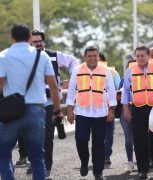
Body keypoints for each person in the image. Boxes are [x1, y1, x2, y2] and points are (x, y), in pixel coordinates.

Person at [0, 23, 61, 180]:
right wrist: (57, 109)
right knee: (37, 156)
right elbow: (53, 86)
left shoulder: (3, 56)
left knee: (4, 153)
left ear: (12, 38)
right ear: (29, 38)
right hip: (36, 111)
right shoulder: (42, 56)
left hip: (11, 112)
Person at [17, 30, 79, 177]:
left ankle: (46, 166)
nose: (37, 43)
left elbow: (74, 62)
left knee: (47, 136)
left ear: (42, 41)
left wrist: (72, 81)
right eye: (34, 41)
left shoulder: (54, 56)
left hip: (51, 102)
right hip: (31, 102)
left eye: (40, 41)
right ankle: (34, 161)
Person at [66, 46, 117, 180]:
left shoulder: (105, 71)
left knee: (99, 143)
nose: (93, 58)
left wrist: (112, 109)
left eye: (95, 56)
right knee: (81, 140)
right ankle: (84, 160)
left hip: (100, 112)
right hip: (82, 112)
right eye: (89, 56)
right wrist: (70, 110)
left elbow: (111, 90)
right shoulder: (77, 70)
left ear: (98, 57)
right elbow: (71, 90)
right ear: (85, 57)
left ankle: (98, 172)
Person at [121, 45, 153, 179]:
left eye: (143, 55)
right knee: (139, 139)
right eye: (138, 56)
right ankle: (143, 170)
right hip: (138, 108)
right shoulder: (130, 71)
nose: (140, 58)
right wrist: (125, 108)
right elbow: (125, 91)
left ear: (148, 56)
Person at [98, 52, 121, 165]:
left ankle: (106, 155)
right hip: (95, 109)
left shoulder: (113, 73)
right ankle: (98, 155)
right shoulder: (88, 73)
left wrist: (112, 106)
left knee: (109, 134)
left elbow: (118, 89)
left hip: (109, 108)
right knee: (98, 134)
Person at [119, 58, 136, 172]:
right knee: (128, 138)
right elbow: (119, 93)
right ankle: (130, 161)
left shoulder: (146, 78)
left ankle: (145, 159)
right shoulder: (123, 79)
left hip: (141, 109)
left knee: (141, 137)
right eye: (129, 67)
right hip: (126, 109)